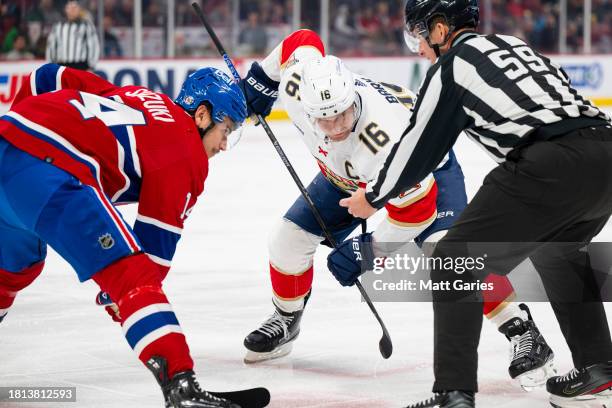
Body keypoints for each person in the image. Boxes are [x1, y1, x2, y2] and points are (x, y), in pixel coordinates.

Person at [238, 29, 553, 389]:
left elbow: (417, 210)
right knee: (287, 239)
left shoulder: (383, 136)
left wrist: (367, 251)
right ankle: (286, 319)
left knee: (447, 253)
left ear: (352, 97)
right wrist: (260, 82)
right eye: (325, 120)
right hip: (346, 176)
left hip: (423, 170)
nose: (337, 127)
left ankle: (521, 328)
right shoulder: (299, 84)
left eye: (343, 114)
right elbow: (300, 40)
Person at [340, 0, 612, 407]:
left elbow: (420, 147)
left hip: (549, 162)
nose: (419, 48)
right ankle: (600, 368)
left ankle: (453, 394)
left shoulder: (450, 66)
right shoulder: (513, 43)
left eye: (418, 36)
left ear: (439, 28)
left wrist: (374, 196)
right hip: (604, 151)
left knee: (454, 257)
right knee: (561, 253)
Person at [0, 62, 260, 408]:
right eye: (225, 130)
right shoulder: (187, 154)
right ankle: (182, 390)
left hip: (7, 140)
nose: (224, 145)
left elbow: (47, 76)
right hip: (50, 171)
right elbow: (152, 258)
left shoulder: (143, 97)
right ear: (201, 115)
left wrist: (22, 131)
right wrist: (122, 299)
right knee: (133, 277)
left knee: (11, 273)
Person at [46, 0, 100, 70]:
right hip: (62, 65)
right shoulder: (58, 26)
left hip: (81, 65)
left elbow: (93, 46)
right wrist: (51, 65)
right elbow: (51, 46)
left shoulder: (87, 26)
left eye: (74, 8)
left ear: (79, 10)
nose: (72, 10)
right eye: (70, 8)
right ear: (66, 9)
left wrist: (91, 66)